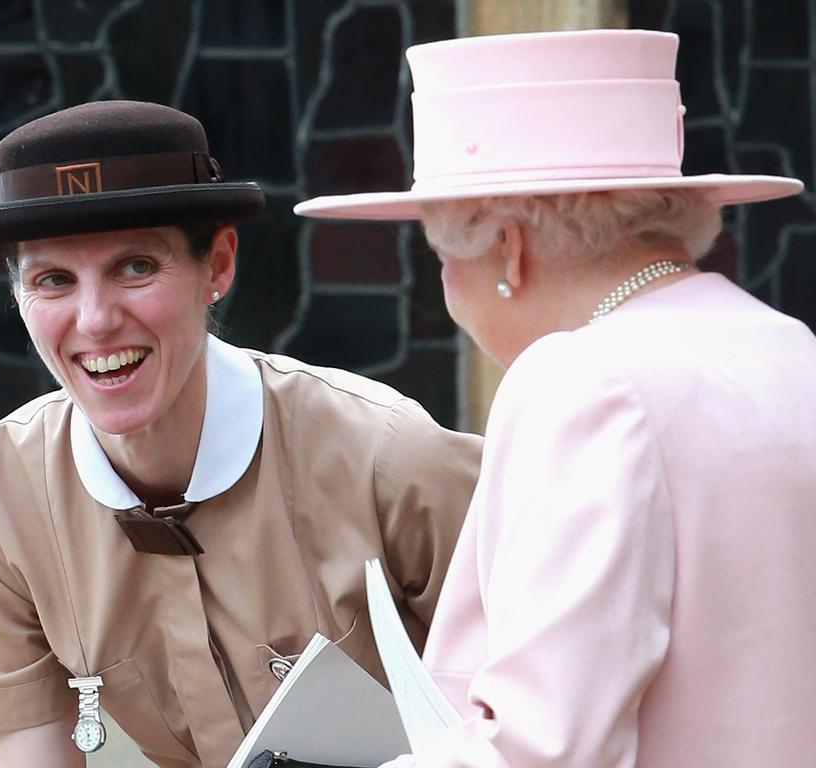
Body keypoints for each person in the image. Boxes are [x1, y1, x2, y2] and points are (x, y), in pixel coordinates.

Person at [296, 29, 816, 767]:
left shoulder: (582, 382)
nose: (444, 288)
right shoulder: (790, 346)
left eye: (443, 257)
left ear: (509, 249)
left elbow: (543, 746)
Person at [0, 100, 481, 768]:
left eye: (136, 267)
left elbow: (551, 718)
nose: (96, 320)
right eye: (53, 280)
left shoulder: (391, 458)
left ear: (217, 265)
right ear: (18, 297)